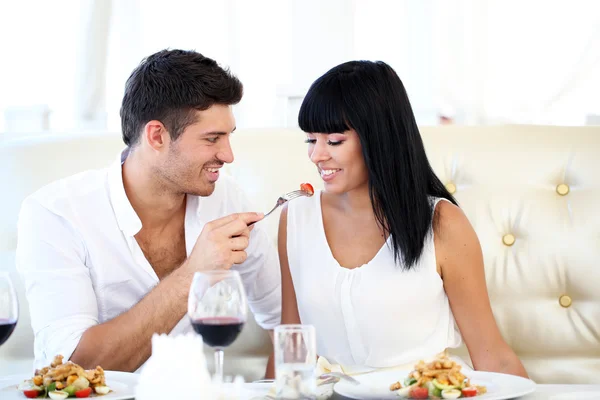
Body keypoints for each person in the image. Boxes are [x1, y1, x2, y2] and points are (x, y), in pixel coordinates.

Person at [16, 49, 281, 372]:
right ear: (157, 136)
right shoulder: (55, 215)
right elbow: (73, 367)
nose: (227, 155)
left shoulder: (226, 198)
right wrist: (194, 272)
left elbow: (285, 322)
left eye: (228, 137)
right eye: (212, 139)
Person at [278, 60, 528, 377]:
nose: (317, 155)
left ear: (378, 137)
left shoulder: (442, 223)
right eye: (311, 140)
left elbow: (492, 354)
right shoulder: (295, 218)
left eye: (335, 141)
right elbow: (288, 345)